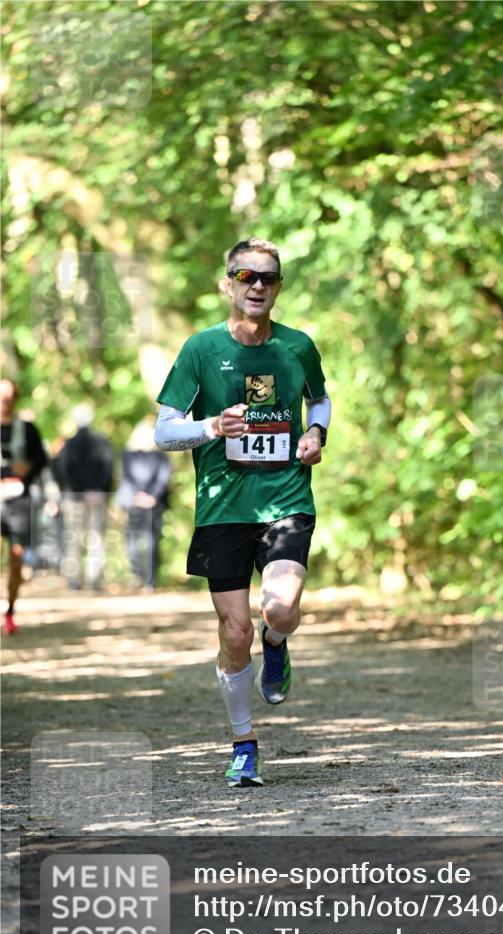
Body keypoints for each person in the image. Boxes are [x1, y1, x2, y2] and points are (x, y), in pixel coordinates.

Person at [155, 237, 331, 789]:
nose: (258, 285)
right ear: (229, 283)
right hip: (222, 510)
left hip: (286, 500)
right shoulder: (200, 349)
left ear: (279, 287)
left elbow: (318, 399)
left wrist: (317, 431)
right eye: (247, 276)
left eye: (268, 278)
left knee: (278, 608)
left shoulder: (298, 346)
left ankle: (277, 642)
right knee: (234, 634)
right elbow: (163, 431)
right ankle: (244, 745)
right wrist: (210, 427)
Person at [0, 379, 48, 635]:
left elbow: (42, 458)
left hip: (19, 500)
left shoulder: (27, 429)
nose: (4, 401)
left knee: (15, 560)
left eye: (9, 396)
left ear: (15, 399)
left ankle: (10, 612)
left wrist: (28, 468)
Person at [59, 403, 114, 591]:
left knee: (73, 538)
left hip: (75, 498)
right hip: (96, 497)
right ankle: (94, 579)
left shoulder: (69, 443)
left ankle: (74, 578)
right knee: (96, 538)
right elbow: (108, 469)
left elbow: (65, 471)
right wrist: (98, 490)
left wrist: (80, 491)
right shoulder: (102, 441)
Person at [117, 418, 171, 590]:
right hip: (147, 503)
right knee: (149, 539)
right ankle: (148, 579)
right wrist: (150, 496)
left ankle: (141, 576)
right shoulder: (160, 457)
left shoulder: (128, 456)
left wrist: (141, 496)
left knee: (137, 539)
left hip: (140, 502)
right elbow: (162, 480)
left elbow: (127, 478)